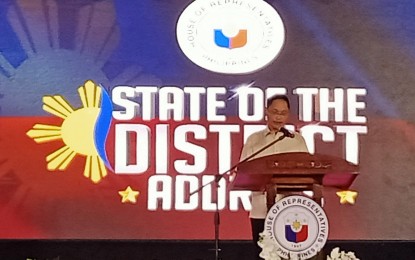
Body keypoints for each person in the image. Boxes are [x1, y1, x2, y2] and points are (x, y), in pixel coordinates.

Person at [238, 94, 309, 259]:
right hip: (261, 210)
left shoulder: (297, 140)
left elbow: (306, 172)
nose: (279, 117)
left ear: (288, 115)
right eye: (275, 112)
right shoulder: (254, 140)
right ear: (266, 112)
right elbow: (243, 170)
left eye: (283, 113)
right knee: (263, 255)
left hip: (290, 210)